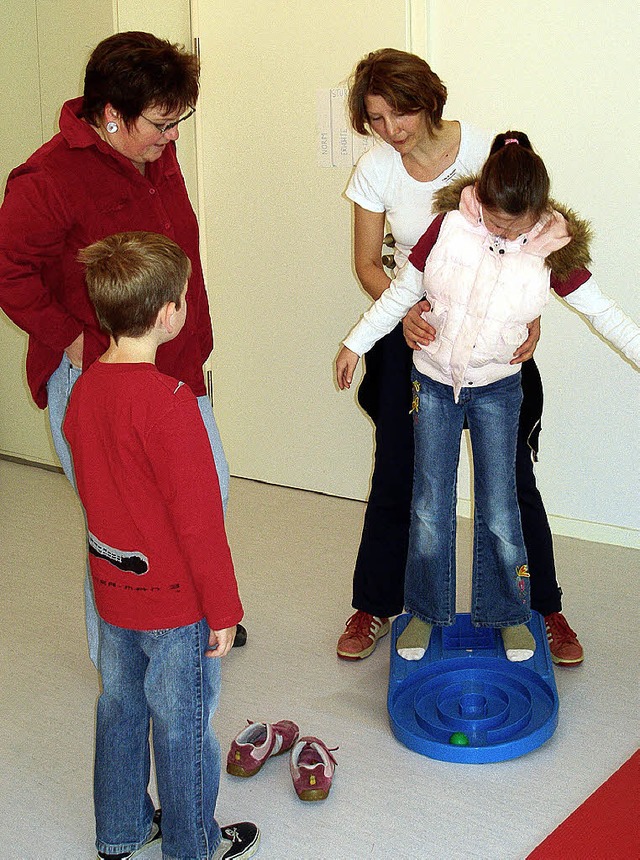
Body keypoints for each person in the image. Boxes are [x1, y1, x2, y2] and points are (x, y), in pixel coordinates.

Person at [337, 132, 640, 662]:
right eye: (494, 219)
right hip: (431, 383)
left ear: (538, 212)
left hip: (499, 389)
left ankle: (510, 615)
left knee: (501, 510)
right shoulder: (449, 226)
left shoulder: (551, 248)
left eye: (514, 224)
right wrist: (355, 342)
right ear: (479, 197)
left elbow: (605, 314)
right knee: (430, 506)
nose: (500, 231)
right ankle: (424, 613)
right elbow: (403, 291)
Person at [0, 31, 246, 661]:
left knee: (202, 495)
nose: (173, 137)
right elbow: (9, 273)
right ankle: (123, 656)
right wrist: (74, 339)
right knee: (121, 527)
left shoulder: (151, 154)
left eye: (177, 120)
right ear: (111, 115)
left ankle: (190, 622)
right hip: (97, 376)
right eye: (163, 123)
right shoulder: (46, 178)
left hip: (174, 366)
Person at [337, 48, 557, 664]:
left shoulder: (490, 148)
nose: (390, 130)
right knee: (401, 476)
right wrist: (404, 311)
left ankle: (543, 606)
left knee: (510, 482)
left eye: (399, 113)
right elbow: (366, 263)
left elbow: (533, 243)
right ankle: (378, 605)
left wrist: (532, 318)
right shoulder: (377, 169)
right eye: (376, 119)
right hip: (417, 339)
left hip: (493, 347)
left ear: (428, 100)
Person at [64, 231, 260, 860]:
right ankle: (192, 844)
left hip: (113, 592)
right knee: (183, 728)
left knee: (118, 708)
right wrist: (225, 610)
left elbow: (95, 487)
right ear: (168, 313)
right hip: (175, 605)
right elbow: (200, 523)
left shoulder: (84, 389)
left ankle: (120, 831)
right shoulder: (173, 404)